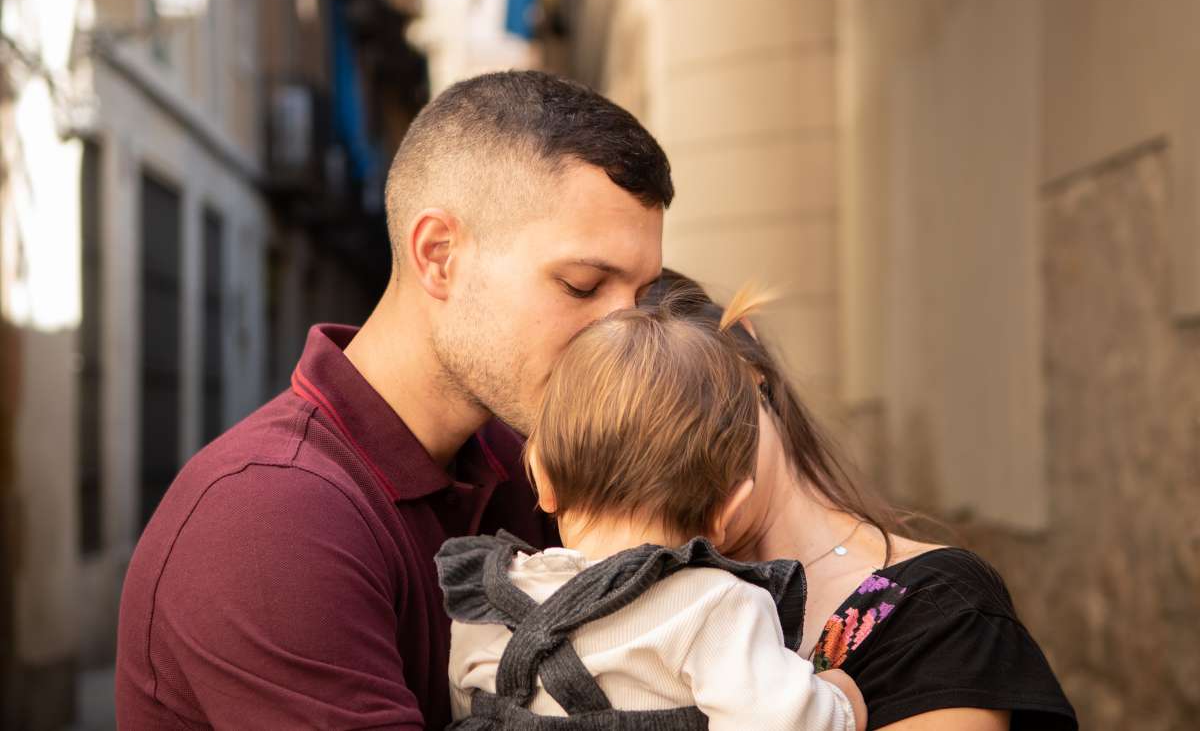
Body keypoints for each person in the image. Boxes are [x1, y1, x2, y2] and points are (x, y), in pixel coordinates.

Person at [115, 70, 673, 729]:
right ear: (438, 255)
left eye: (641, 299)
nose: (622, 337)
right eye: (582, 286)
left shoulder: (526, 464)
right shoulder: (269, 520)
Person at [644, 270, 1078, 731]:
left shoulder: (935, 611)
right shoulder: (615, 628)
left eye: (682, 397)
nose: (675, 450)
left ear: (747, 356)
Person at [436, 289, 866, 731]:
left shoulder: (485, 603)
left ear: (543, 481)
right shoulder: (714, 606)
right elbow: (782, 723)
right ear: (730, 508)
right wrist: (841, 700)